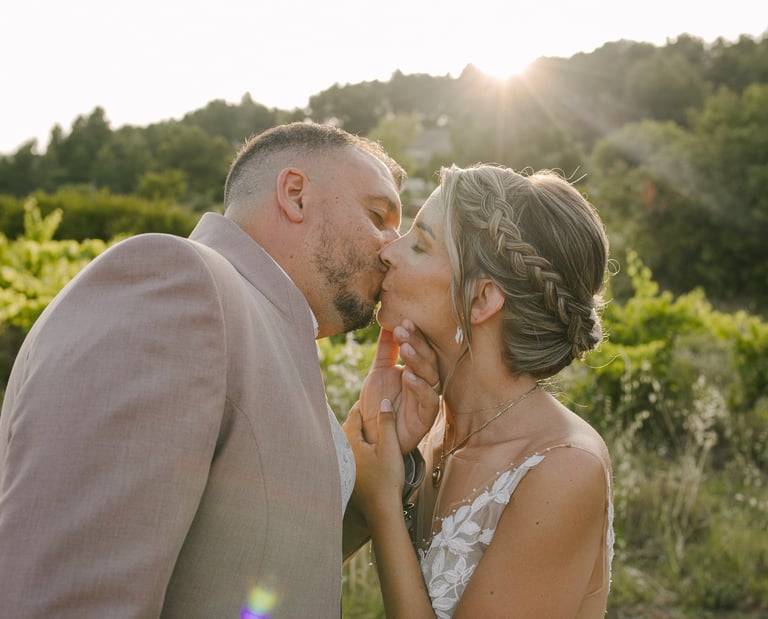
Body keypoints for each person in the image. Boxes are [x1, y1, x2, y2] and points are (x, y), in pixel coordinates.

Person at [0, 122, 440, 618]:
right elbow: (73, 598)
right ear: (295, 195)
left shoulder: (265, 328)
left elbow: (243, 568)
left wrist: (371, 473)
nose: (390, 248)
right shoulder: (177, 283)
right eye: (379, 215)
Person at [345, 163, 614, 618]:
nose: (388, 252)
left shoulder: (563, 469)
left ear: (482, 298)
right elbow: (303, 563)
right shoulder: (431, 436)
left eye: (419, 244)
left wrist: (384, 506)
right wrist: (385, 455)